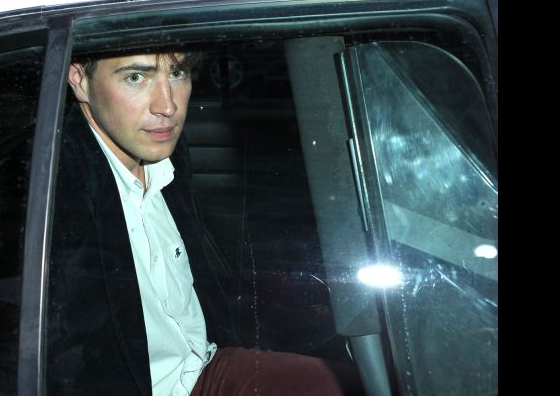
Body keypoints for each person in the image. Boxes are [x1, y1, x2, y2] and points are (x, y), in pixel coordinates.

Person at [46, 48, 363, 395]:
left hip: (206, 368)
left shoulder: (164, 153)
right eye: (136, 77)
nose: (167, 106)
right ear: (78, 80)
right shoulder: (53, 191)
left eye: (178, 74)